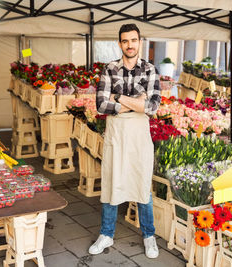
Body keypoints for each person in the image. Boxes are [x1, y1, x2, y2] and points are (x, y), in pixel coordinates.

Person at [89, 23, 161, 259]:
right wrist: (134, 102)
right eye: (125, 41)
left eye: (134, 40)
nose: (130, 45)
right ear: (120, 43)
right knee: (112, 181)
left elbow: (152, 107)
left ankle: (149, 236)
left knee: (142, 182)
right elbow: (101, 105)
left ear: (140, 42)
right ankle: (106, 233)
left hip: (140, 135)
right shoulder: (109, 69)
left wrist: (117, 97)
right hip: (116, 133)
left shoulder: (150, 70)